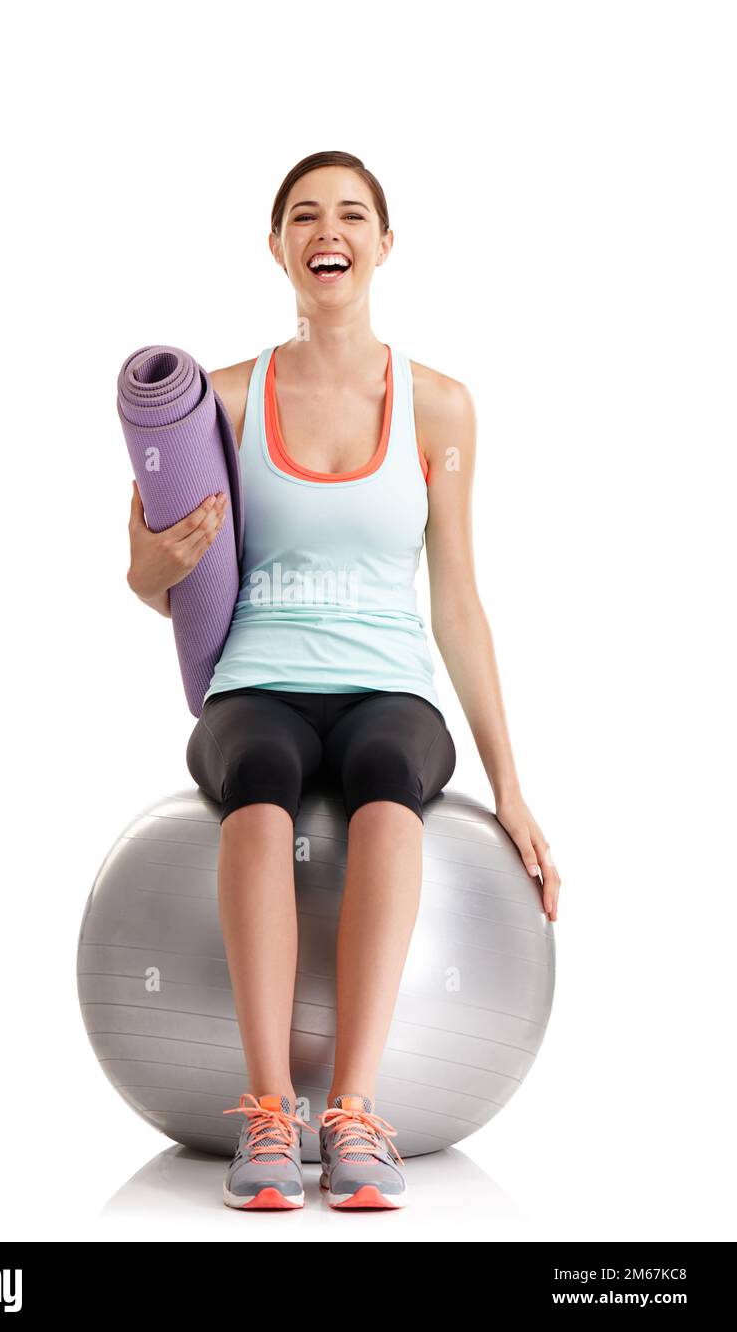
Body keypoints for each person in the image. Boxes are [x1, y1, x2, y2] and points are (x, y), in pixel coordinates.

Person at [126, 150, 560, 1211]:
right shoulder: (219, 400)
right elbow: (141, 574)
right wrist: (167, 558)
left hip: (388, 686)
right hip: (254, 681)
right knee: (260, 780)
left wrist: (509, 784)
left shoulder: (441, 408)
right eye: (306, 216)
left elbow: (455, 599)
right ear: (278, 247)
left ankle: (357, 1109)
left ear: (381, 244)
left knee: (385, 782)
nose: (330, 230)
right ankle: (270, 1112)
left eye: (352, 214)